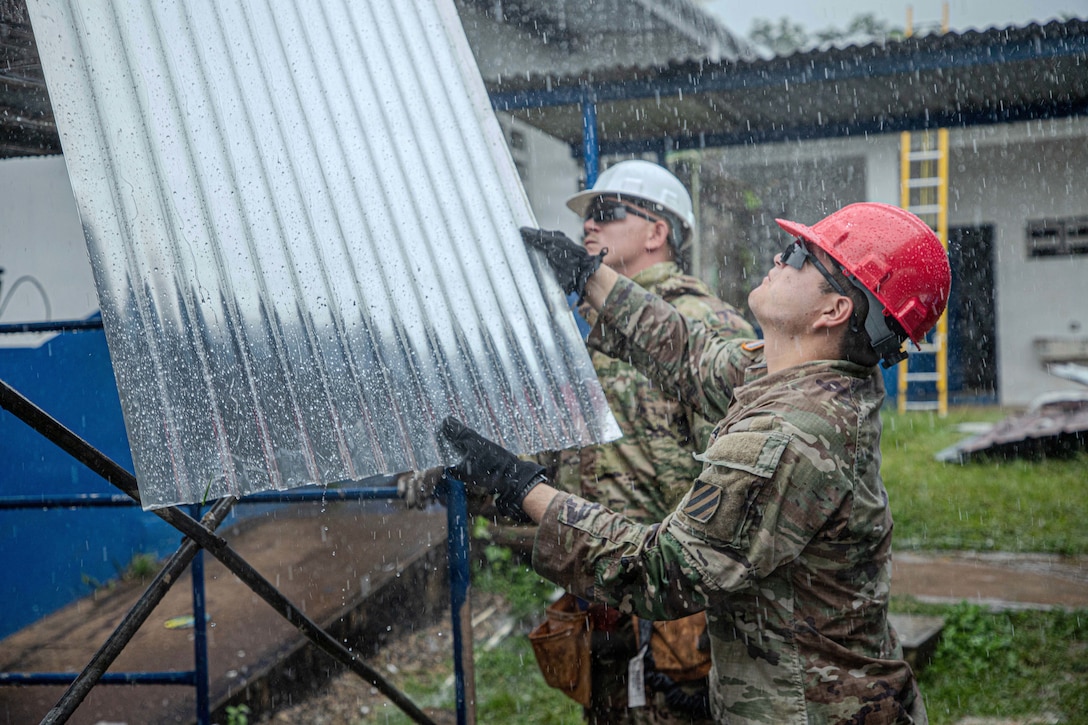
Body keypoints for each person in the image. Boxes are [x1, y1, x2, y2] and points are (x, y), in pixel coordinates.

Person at [442, 202, 951, 724]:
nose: (782, 255)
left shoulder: (789, 434)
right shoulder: (812, 376)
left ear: (834, 310)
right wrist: (590, 277)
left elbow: (661, 571)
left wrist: (521, 485)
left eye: (803, 254)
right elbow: (693, 357)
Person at [548, 159, 753, 724]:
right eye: (588, 217)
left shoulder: (709, 327)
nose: (590, 227)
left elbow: (740, 492)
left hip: (675, 607)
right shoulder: (589, 328)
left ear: (657, 232)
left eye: (608, 214)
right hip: (604, 593)